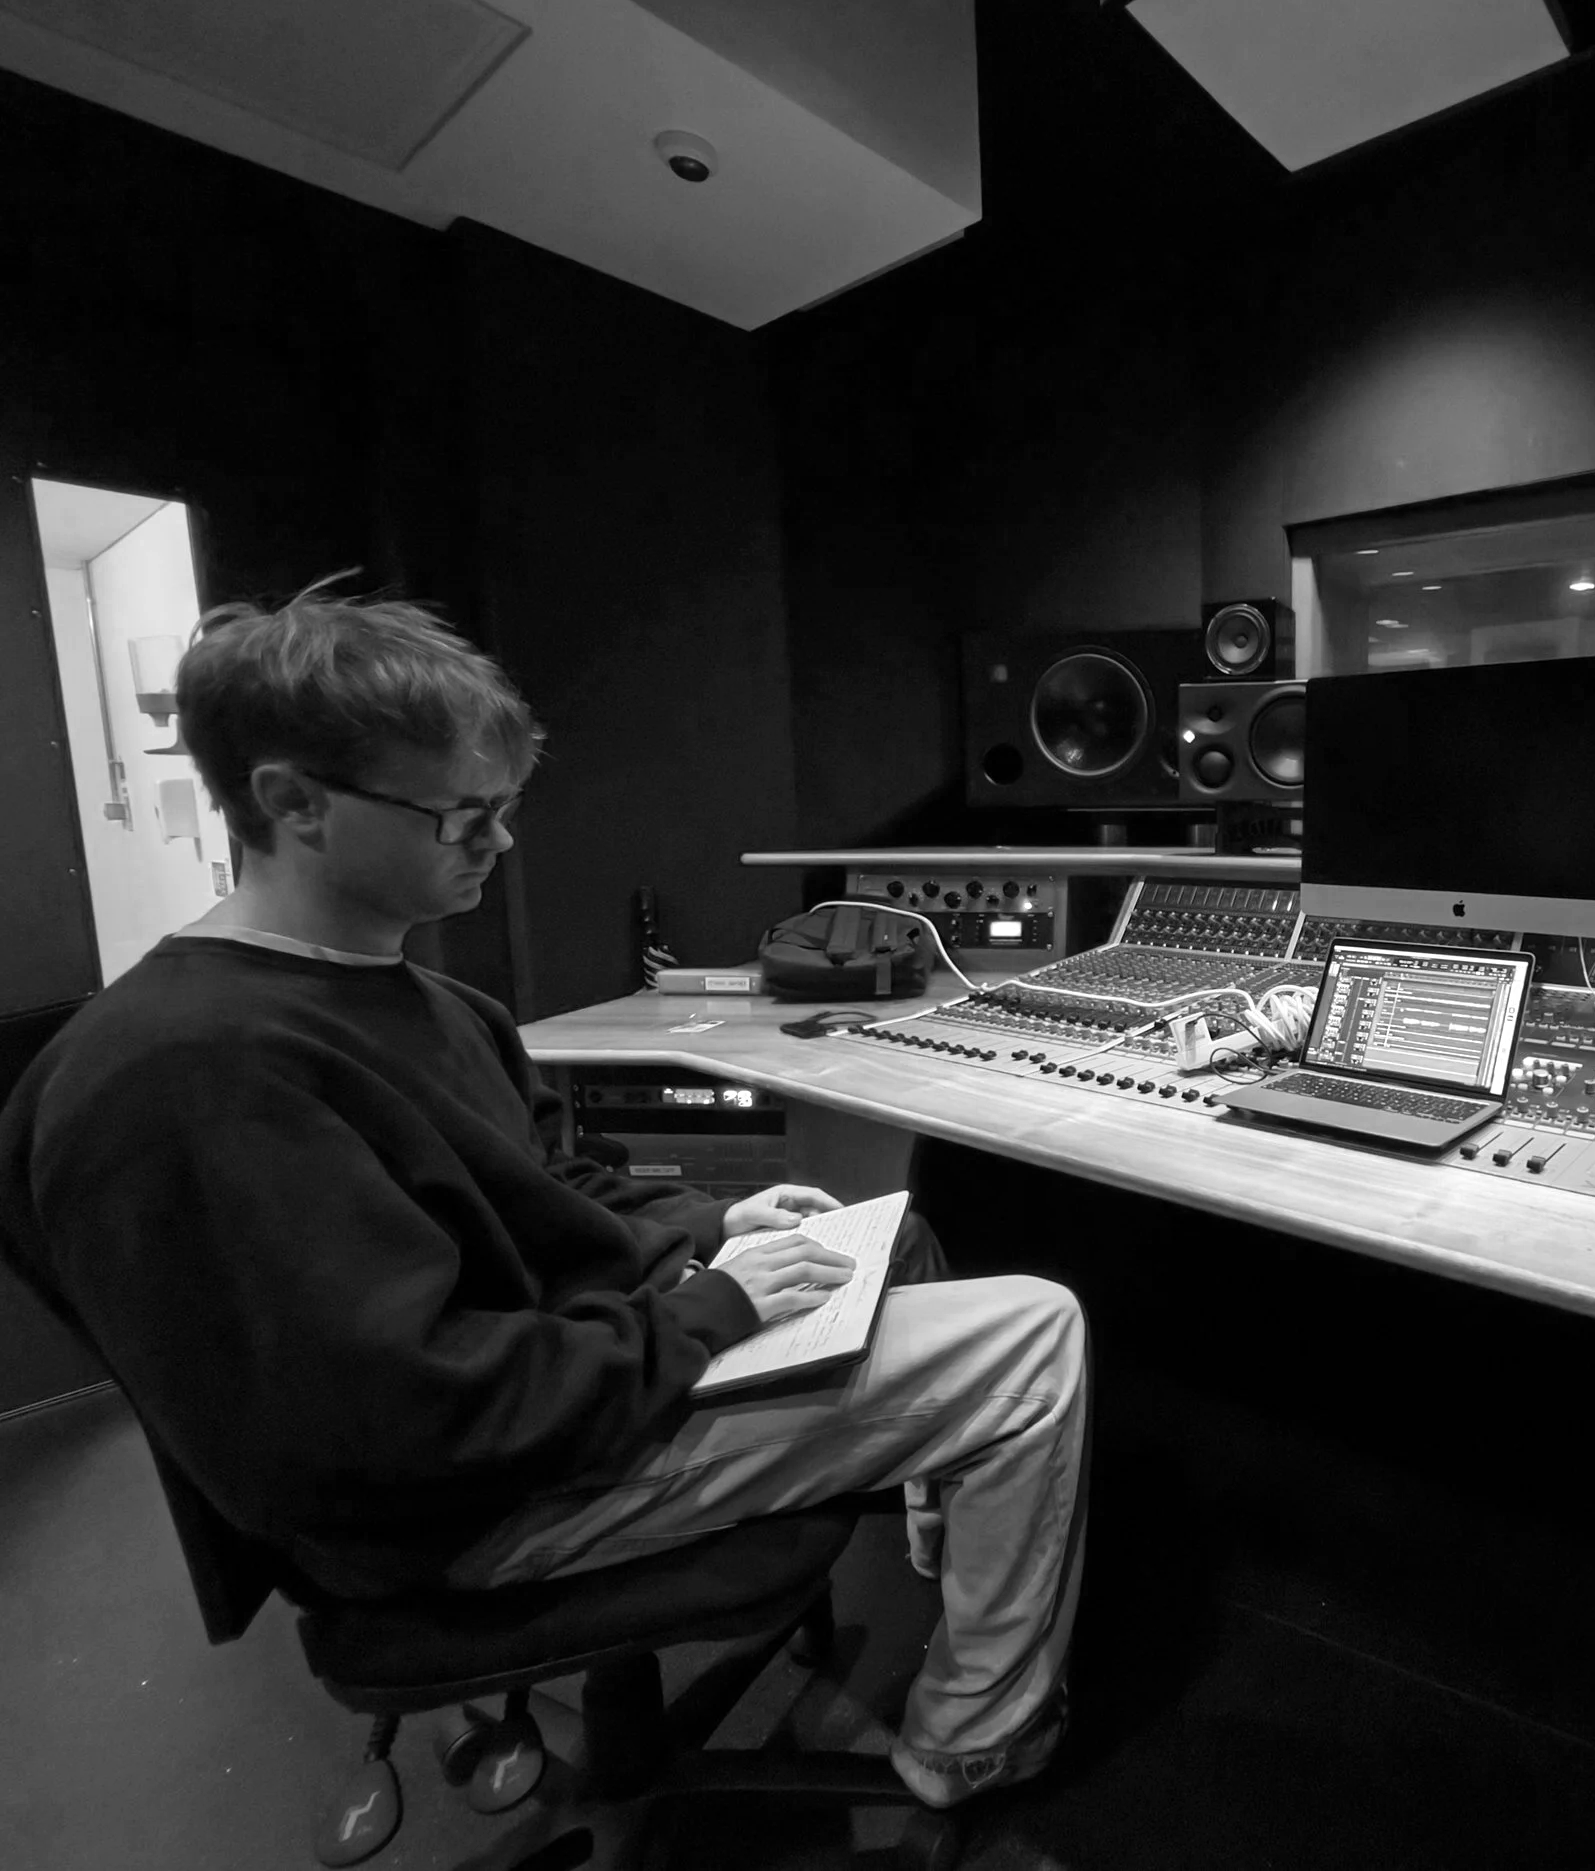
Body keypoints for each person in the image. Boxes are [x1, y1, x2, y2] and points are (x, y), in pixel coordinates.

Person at [0, 588, 1087, 1811]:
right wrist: (704, 1317)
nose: (502, 846)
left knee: (901, 1236)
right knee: (1035, 1334)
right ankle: (977, 1740)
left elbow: (542, 1189)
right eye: (464, 816)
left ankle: (933, 1499)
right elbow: (387, 1428)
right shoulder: (183, 1080)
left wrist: (707, 1231)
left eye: (505, 810)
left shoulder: (422, 999)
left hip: (556, 1400)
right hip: (471, 1511)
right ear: (291, 801)